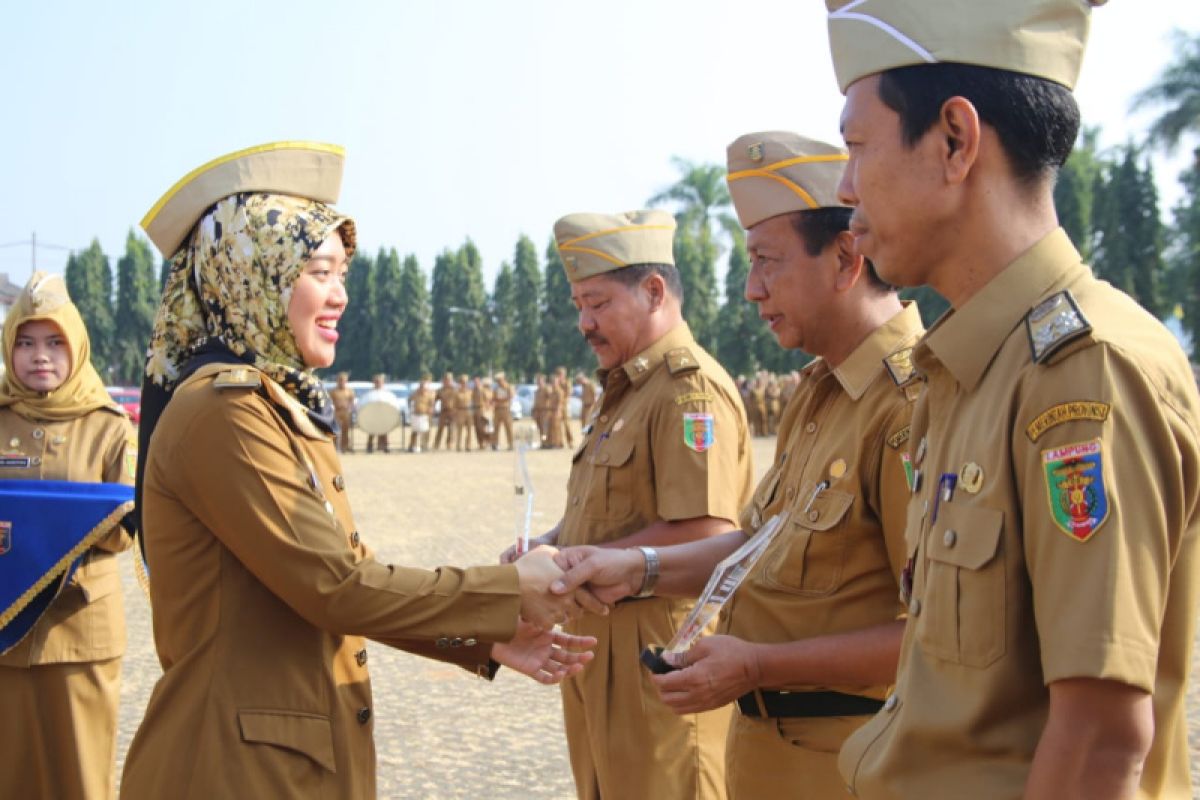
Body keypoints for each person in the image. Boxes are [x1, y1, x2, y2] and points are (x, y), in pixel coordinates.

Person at [122, 142, 599, 798]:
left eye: (343, 272)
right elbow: (336, 585)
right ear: (252, 273)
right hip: (230, 771)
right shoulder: (223, 411)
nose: (340, 294)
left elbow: (343, 574)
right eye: (319, 270)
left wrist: (483, 641)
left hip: (281, 763)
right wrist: (508, 588)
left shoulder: (272, 403)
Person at [824, 3, 1200, 797]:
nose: (845, 187)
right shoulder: (969, 373)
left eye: (858, 147)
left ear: (955, 140)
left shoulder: (1082, 375)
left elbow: (1099, 741)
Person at [551, 133, 923, 798]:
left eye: (766, 263)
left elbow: (937, 635)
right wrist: (637, 567)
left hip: (845, 767)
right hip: (767, 758)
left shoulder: (907, 406)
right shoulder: (821, 394)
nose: (752, 290)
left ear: (844, 258)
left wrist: (758, 665)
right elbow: (759, 543)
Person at [503, 209, 754, 800]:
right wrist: (549, 545)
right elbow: (607, 516)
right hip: (602, 657)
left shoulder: (688, 392)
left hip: (659, 667)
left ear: (654, 291)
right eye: (578, 307)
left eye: (598, 303)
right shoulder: (627, 393)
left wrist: (574, 564)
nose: (585, 323)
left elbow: (708, 532)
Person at [0, 273, 137, 800]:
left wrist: (52, 527)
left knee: (81, 778)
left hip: (80, 632)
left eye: (55, 341)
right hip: (6, 635)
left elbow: (125, 527)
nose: (41, 356)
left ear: (76, 346)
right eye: (26, 343)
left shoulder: (110, 428)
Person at [360, 373, 398, 454]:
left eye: (379, 381)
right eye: (376, 381)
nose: (378, 383)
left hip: (383, 416)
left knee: (384, 431)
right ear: (374, 382)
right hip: (373, 416)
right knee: (371, 431)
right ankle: (369, 447)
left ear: (382, 382)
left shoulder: (386, 393)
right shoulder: (370, 393)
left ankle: (385, 447)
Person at [329, 371, 356, 453]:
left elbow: (352, 402)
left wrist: (350, 408)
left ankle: (345, 447)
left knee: (345, 431)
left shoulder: (350, 391)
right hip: (336, 413)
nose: (341, 382)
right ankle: (334, 447)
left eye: (343, 380)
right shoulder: (333, 391)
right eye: (340, 380)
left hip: (346, 413)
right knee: (335, 431)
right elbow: (329, 402)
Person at [408, 374, 435, 453]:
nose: (422, 388)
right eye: (421, 386)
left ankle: (424, 446)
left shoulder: (429, 394)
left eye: (423, 386)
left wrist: (431, 409)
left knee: (425, 431)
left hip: (425, 415)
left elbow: (432, 403)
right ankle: (412, 445)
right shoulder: (415, 394)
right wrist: (411, 409)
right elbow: (409, 400)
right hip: (416, 414)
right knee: (414, 431)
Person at [433, 372, 456, 450]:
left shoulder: (455, 390)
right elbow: (434, 399)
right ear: (443, 380)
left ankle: (449, 444)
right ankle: (436, 444)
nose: (447, 381)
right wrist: (432, 408)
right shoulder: (440, 390)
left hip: (452, 411)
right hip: (443, 411)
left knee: (451, 429)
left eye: (449, 380)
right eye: (446, 380)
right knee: (440, 428)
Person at [492, 372, 515, 450]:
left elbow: (511, 396)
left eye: (500, 380)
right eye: (497, 381)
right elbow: (494, 398)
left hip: (506, 410)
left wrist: (501, 399)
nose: (498, 382)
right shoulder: (496, 388)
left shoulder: (508, 387)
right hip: (497, 410)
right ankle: (495, 444)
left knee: (508, 427)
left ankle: (511, 444)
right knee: (495, 428)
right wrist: (498, 400)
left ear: (503, 379)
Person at [473, 375, 494, 450]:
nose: (476, 383)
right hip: (475, 410)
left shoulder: (484, 390)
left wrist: (488, 408)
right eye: (475, 382)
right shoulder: (473, 390)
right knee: (477, 429)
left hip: (483, 410)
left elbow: (490, 400)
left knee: (484, 428)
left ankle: (488, 442)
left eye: (477, 382)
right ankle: (481, 443)